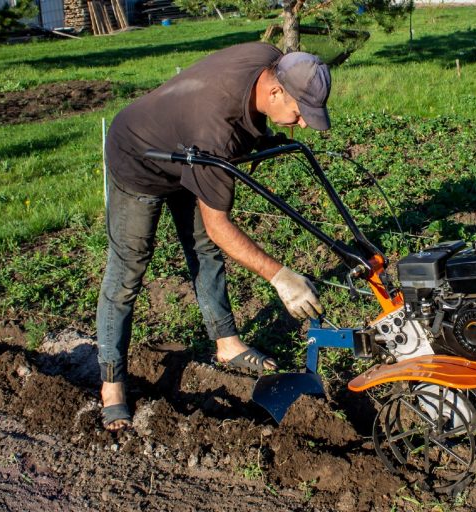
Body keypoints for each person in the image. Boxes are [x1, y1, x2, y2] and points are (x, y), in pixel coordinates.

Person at [97, 42, 330, 431]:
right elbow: (221, 227)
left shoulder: (271, 59)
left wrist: (258, 137)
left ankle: (227, 343)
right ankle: (112, 385)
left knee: (203, 249)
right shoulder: (216, 132)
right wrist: (280, 277)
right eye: (300, 113)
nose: (303, 123)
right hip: (139, 160)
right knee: (128, 270)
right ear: (275, 92)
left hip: (186, 149)